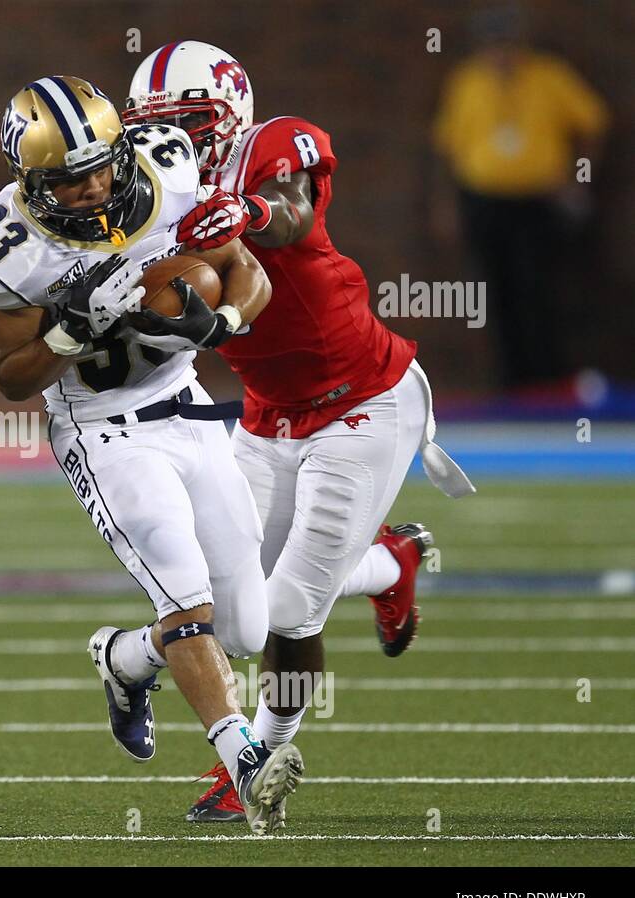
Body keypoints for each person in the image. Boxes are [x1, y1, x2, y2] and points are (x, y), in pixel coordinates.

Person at [124, 41, 475, 822]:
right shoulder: (147, 190)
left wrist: (246, 210)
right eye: (156, 126)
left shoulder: (270, 150)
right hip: (267, 410)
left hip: (364, 401)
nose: (172, 141)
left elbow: (291, 213)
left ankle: (257, 760)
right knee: (231, 600)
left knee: (287, 613)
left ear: (227, 115)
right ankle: (391, 562)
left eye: (186, 122)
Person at [0, 75, 302, 834]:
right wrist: (71, 330)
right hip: (102, 427)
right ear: (30, 181)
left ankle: (124, 659)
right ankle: (242, 758)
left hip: (188, 405)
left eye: (103, 166)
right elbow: (11, 379)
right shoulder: (0, 247)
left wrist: (226, 323)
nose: (96, 186)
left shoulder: (169, 164)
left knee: (244, 628)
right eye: (71, 181)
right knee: (184, 594)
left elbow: (248, 272)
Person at [431, 5, 610, 388]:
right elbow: (447, 148)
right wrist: (448, 205)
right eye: (493, 45)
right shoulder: (467, 82)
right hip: (484, 200)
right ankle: (512, 382)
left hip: (537, 201)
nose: (501, 52)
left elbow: (593, 122)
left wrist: (579, 179)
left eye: (507, 43)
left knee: (538, 287)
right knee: (496, 291)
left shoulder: (549, 75)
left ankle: (548, 379)